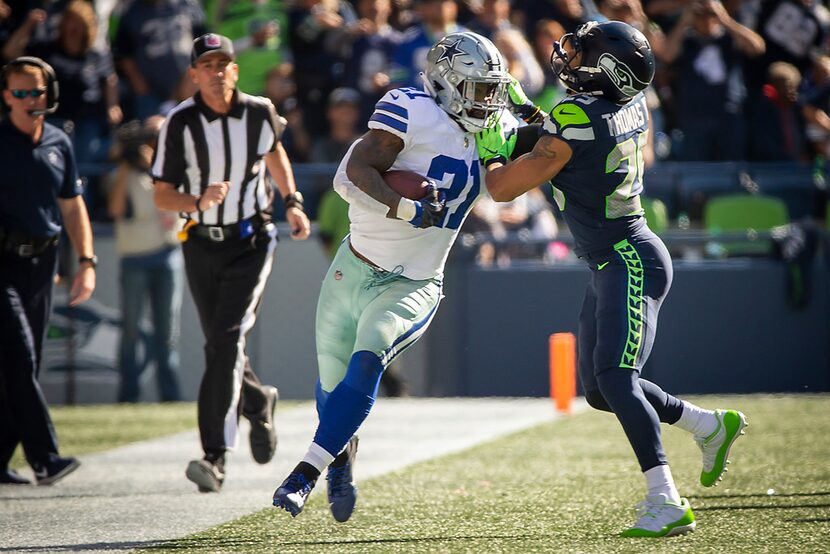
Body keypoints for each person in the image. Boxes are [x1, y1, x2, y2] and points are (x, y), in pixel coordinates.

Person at [475, 20, 748, 537]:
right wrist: (522, 110)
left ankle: (665, 499)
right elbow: (557, 139)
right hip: (615, 258)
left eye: (581, 54)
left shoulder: (575, 117)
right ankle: (707, 425)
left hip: (626, 258)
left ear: (606, 72)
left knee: (617, 379)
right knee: (602, 389)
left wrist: (492, 144)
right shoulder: (624, 104)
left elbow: (505, 186)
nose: (569, 58)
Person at [271, 31, 512, 522]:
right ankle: (341, 456)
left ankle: (305, 471)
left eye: (493, 91)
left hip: (415, 281)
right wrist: (407, 206)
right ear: (446, 85)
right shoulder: (410, 107)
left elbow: (532, 159)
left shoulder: (496, 128)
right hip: (353, 265)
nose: (487, 102)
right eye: (477, 90)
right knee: (331, 388)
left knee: (369, 357)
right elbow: (354, 171)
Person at [151, 33, 311, 493]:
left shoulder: (259, 112)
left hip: (250, 240)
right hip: (199, 241)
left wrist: (293, 202)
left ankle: (215, 458)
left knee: (224, 340)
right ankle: (259, 402)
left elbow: (274, 152)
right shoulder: (180, 123)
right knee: (222, 345)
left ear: (235, 70)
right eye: (208, 65)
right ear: (194, 74)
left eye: (224, 64)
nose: (217, 72)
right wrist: (197, 200)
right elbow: (161, 191)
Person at [0, 56, 96, 485]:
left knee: (26, 363)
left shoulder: (59, 141)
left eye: (36, 91)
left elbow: (72, 205)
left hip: (44, 262)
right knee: (19, 356)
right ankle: (45, 458)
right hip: (2, 263)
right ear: (6, 97)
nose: (29, 99)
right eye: (20, 92)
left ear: (49, 94)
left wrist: (87, 261)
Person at [108, 116, 184, 403]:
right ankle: (128, 394)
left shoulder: (173, 168)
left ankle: (170, 395)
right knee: (130, 331)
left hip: (167, 255)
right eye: (150, 136)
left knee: (167, 332)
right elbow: (115, 208)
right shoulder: (125, 173)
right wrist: (126, 166)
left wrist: (154, 167)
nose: (153, 142)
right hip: (134, 258)